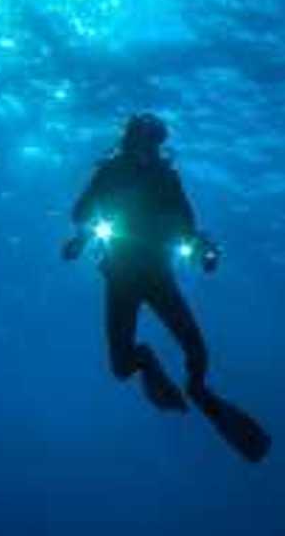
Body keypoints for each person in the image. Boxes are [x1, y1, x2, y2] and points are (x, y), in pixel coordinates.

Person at [62, 113, 269, 462]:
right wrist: (82, 238)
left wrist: (205, 252)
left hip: (158, 277)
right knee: (122, 366)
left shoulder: (166, 179)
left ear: (159, 145)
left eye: (153, 141)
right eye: (141, 140)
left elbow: (189, 226)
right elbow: (81, 212)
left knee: (198, 352)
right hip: (121, 277)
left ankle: (198, 390)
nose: (147, 147)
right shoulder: (110, 172)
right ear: (128, 141)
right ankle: (145, 361)